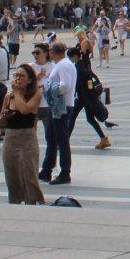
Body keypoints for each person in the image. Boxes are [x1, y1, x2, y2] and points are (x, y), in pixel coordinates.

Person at [2, 63, 44, 204]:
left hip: (27, 138)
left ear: (30, 80)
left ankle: (32, 202)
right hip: (10, 138)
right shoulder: (9, 97)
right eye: (16, 75)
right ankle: (14, 201)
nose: (18, 78)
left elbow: (25, 110)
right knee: (12, 174)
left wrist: (18, 93)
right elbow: (1, 121)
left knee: (29, 174)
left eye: (22, 76)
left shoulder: (36, 95)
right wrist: (5, 117)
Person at [40, 40, 77, 184]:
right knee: (52, 138)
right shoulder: (62, 64)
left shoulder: (64, 65)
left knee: (61, 140)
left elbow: (65, 85)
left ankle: (65, 172)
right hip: (58, 105)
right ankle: (46, 170)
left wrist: (49, 87)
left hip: (61, 106)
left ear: (52, 52)